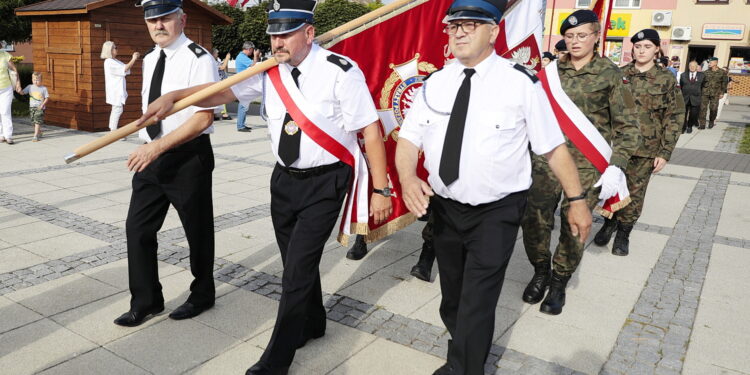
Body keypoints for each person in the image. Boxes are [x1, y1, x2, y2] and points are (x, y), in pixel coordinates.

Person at [141, 0, 392, 372]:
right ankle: (313, 322)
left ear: (309, 33)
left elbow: (370, 130)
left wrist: (380, 190)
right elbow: (222, 93)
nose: (277, 42)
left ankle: (277, 358)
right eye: (273, 34)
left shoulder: (340, 71)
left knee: (295, 272)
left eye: (286, 34)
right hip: (283, 182)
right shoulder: (268, 72)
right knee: (296, 261)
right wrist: (175, 98)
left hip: (326, 181)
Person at [396, 0, 592, 372]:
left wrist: (577, 200)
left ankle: (465, 367)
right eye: (454, 25)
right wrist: (407, 177)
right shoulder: (435, 82)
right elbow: (408, 140)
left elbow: (553, 148)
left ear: (494, 31)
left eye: (471, 24)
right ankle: (464, 355)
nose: (460, 32)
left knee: (477, 301)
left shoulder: (521, 83)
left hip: (496, 212)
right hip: (446, 208)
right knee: (452, 300)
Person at [520, 10, 639, 315]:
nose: (574, 41)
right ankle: (540, 270)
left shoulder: (611, 74)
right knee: (534, 218)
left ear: (596, 36)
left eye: (581, 35)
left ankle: (559, 281)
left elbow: (628, 125)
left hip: (587, 163)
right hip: (546, 160)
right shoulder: (550, 73)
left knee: (574, 222)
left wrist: (617, 164)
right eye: (570, 36)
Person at [113, 0, 219, 327]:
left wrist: (156, 147)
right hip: (152, 155)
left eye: (165, 18)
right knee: (138, 229)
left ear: (182, 19)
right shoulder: (149, 59)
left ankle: (202, 293)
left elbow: (202, 119)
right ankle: (146, 300)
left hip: (187, 157)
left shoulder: (199, 59)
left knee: (197, 231)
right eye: (152, 19)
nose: (158, 25)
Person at [593, 29, 684, 256]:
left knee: (635, 193)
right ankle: (609, 223)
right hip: (616, 146)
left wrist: (665, 151)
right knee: (611, 187)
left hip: (646, 148)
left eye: (647, 47)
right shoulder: (620, 74)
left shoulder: (666, 79)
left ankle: (623, 234)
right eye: (637, 46)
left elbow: (675, 116)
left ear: (656, 50)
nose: (641, 51)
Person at [101, 41, 139, 133]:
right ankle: (113, 131)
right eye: (115, 47)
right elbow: (124, 69)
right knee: (117, 109)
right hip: (115, 89)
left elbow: (126, 67)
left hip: (117, 89)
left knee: (117, 109)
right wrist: (133, 59)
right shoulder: (109, 62)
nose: (116, 49)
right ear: (110, 50)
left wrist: (133, 60)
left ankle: (112, 130)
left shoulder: (114, 61)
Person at [235, 41, 260, 132]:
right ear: (249, 49)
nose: (252, 52)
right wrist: (256, 56)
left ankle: (242, 124)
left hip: (244, 83)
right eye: (252, 50)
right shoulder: (242, 57)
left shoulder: (242, 56)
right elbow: (254, 65)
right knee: (243, 105)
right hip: (243, 84)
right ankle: (240, 126)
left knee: (244, 104)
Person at [18, 72, 49, 142]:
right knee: (33, 122)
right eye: (34, 80)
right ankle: (39, 132)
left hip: (40, 107)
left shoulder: (43, 88)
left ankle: (35, 136)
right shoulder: (30, 87)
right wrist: (19, 90)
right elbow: (23, 92)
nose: (36, 81)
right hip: (32, 107)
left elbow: (47, 98)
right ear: (32, 80)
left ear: (41, 80)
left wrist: (42, 105)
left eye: (37, 80)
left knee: (37, 120)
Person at [0, 49, 22, 144]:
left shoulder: (5, 55)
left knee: (5, 111)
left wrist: (18, 83)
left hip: (6, 89)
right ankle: (1, 135)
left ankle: (8, 136)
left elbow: (14, 69)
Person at [699, 56, 728, 129]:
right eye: (709, 62)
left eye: (711, 62)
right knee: (702, 109)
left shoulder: (722, 72)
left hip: (715, 93)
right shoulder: (705, 72)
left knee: (713, 109)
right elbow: (701, 83)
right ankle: (702, 124)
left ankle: (711, 121)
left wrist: (722, 93)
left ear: (716, 63)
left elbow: (724, 83)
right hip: (705, 93)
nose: (709, 64)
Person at [679, 61, 704, 134]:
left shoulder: (701, 76)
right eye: (690, 66)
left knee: (693, 114)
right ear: (688, 66)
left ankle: (689, 126)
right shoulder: (683, 75)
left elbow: (703, 86)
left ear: (697, 67)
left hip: (696, 98)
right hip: (685, 97)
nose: (692, 67)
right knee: (683, 114)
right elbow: (681, 85)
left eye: (694, 66)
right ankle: (683, 127)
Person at [212, 48, 232, 121]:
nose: (218, 54)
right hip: (218, 82)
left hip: (222, 81)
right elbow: (222, 67)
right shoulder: (213, 62)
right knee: (222, 97)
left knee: (218, 98)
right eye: (217, 53)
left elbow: (224, 67)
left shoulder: (217, 60)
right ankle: (224, 114)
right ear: (213, 54)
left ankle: (215, 114)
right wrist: (227, 58)